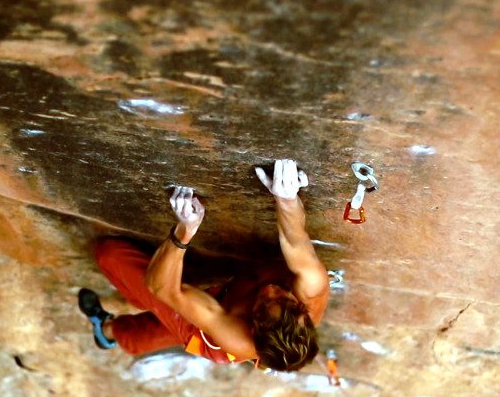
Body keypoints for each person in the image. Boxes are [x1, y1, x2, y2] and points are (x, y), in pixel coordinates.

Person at [78, 159, 329, 371]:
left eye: (264, 305)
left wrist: (184, 231)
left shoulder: (237, 337)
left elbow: (164, 289)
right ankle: (127, 314)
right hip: (222, 302)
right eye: (284, 298)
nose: (270, 290)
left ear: (253, 327)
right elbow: (296, 240)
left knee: (110, 255)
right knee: (161, 319)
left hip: (208, 332)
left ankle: (110, 329)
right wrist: (287, 199)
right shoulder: (311, 288)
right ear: (301, 309)